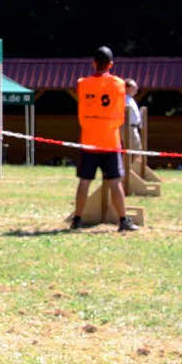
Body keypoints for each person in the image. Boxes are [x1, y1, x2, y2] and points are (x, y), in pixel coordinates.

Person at [70, 46, 139, 233]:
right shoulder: (118, 84)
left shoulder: (82, 83)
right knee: (115, 182)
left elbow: (83, 107)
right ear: (111, 64)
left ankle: (77, 219)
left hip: (89, 140)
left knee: (84, 181)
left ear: (94, 63)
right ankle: (123, 220)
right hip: (110, 140)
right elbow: (120, 113)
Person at [124, 78, 143, 150]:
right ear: (127, 88)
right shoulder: (124, 99)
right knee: (137, 150)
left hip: (133, 128)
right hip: (128, 128)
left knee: (137, 150)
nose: (137, 88)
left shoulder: (130, 99)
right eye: (134, 86)